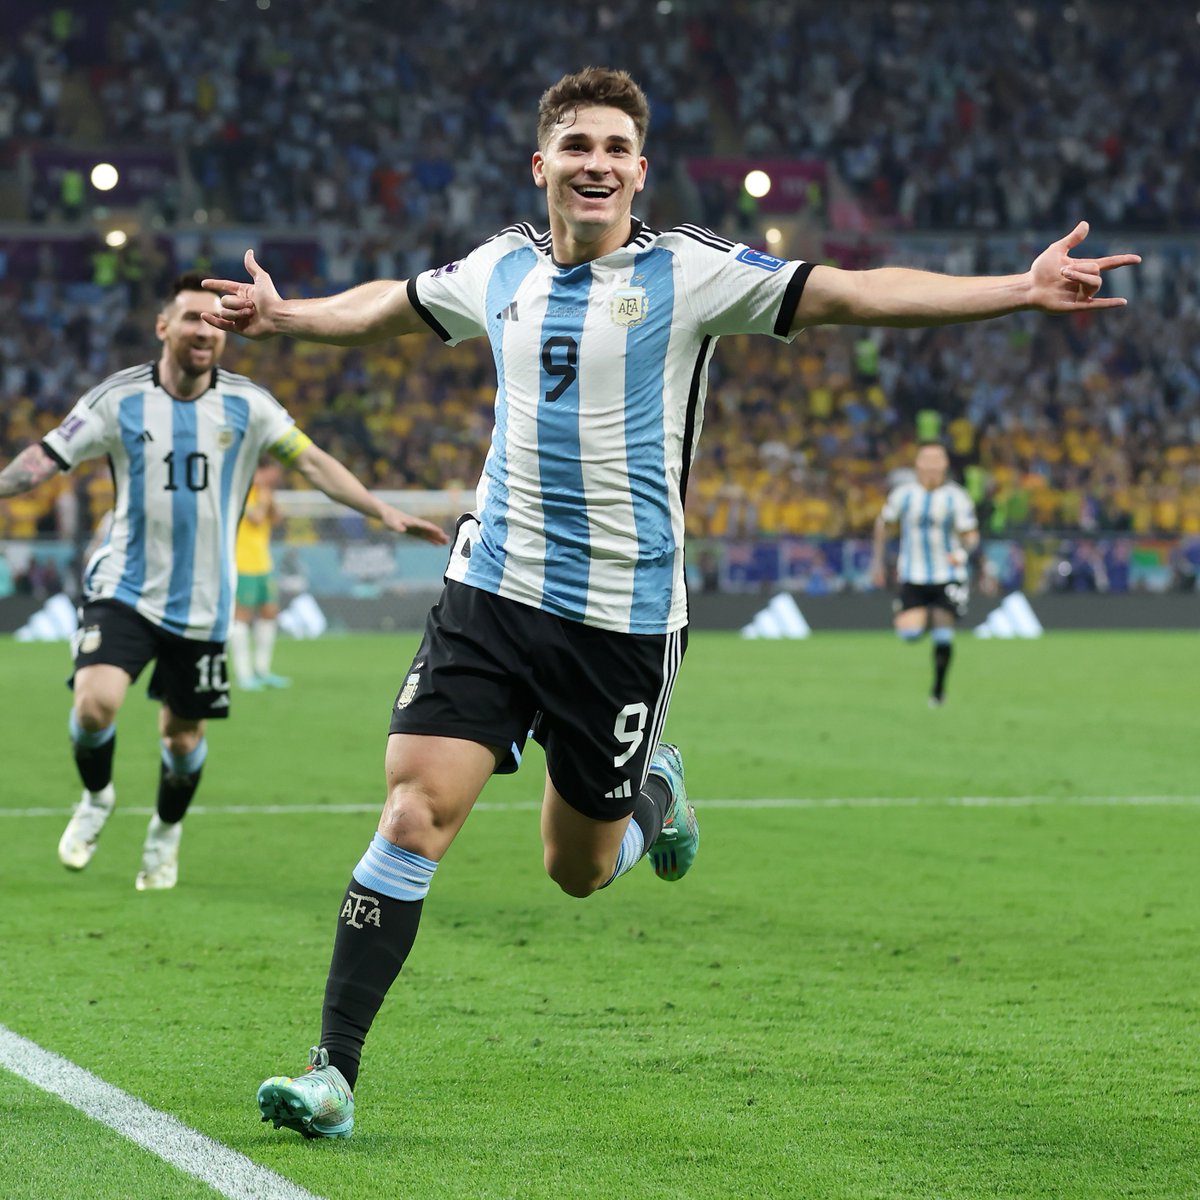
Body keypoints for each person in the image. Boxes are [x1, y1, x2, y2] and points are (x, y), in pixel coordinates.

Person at [202, 67, 1138, 1139]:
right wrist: (289, 317)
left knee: (577, 871)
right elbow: (391, 309)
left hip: (624, 620)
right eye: (577, 145)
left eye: (615, 147)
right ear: (541, 163)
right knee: (415, 811)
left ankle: (656, 794)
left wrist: (1014, 289)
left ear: (639, 171)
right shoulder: (499, 265)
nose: (595, 162)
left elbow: (847, 291)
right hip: (491, 591)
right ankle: (334, 1073)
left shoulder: (689, 273)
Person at [0, 272, 447, 891]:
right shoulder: (118, 399)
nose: (203, 330)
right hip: (125, 587)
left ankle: (164, 831)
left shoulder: (249, 405)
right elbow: (44, 459)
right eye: (189, 318)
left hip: (205, 603)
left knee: (182, 741)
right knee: (94, 703)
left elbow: (311, 460)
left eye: (214, 321)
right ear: (163, 327)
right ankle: (97, 796)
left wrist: (381, 510)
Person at [870, 442, 980, 706]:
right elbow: (883, 524)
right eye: (926, 459)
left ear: (944, 465)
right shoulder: (904, 495)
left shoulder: (957, 497)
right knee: (909, 634)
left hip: (948, 574)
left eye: (937, 459)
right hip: (914, 574)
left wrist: (963, 553)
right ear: (917, 464)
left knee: (944, 631)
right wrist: (877, 563)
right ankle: (929, 615)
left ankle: (938, 690)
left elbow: (971, 535)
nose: (931, 465)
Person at [230, 458, 289, 690]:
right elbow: (255, 518)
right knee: (241, 616)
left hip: (263, 562)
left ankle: (262, 670)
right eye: (273, 472)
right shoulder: (241, 491)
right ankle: (244, 674)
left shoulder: (264, 493)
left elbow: (276, 519)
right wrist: (264, 499)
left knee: (269, 612)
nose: (276, 477)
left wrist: (269, 500)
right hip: (242, 562)